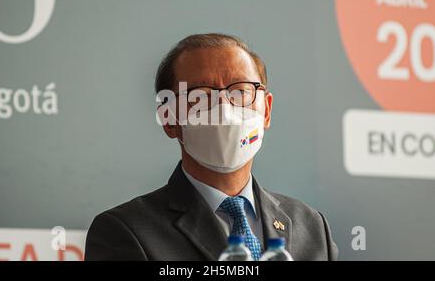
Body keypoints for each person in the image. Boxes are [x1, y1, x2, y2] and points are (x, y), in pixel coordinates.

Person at [84, 33, 338, 261]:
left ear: (267, 110)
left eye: (241, 91)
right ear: (168, 118)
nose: (224, 111)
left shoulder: (311, 226)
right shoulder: (126, 231)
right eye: (200, 95)